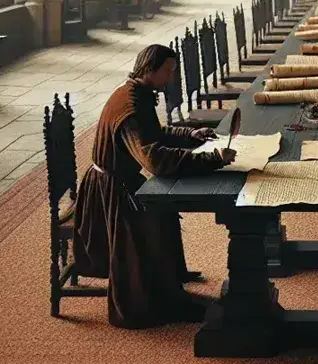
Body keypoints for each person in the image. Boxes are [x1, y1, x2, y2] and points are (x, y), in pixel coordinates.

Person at [73, 44, 236, 328]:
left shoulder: (138, 93)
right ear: (149, 69)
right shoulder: (130, 108)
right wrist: (211, 159)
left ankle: (169, 289)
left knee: (164, 210)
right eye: (168, 71)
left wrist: (190, 134)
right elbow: (154, 159)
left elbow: (156, 134)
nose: (171, 77)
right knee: (157, 215)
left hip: (121, 179)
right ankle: (158, 302)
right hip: (109, 191)